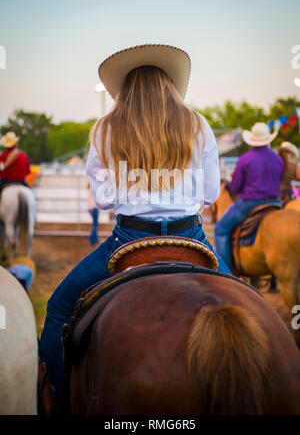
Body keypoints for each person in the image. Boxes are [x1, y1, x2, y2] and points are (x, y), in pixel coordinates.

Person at [39, 44, 230, 409]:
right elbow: (209, 192)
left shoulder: (106, 128)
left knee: (59, 309)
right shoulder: (198, 123)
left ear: (124, 89)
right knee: (249, 300)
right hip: (191, 235)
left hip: (129, 238)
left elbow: (105, 199)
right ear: (170, 84)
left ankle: (60, 403)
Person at [214, 122, 283, 271]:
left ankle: (225, 272)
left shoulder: (246, 159)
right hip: (276, 202)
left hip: (251, 203)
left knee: (220, 229)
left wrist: (230, 182)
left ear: (252, 139)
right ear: (268, 139)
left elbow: (235, 188)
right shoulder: (277, 158)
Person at [87, 181, 99, 246]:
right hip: (94, 208)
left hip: (90, 208)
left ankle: (94, 240)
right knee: (95, 225)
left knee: (95, 224)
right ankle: (93, 241)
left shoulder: (89, 189)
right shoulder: (93, 190)